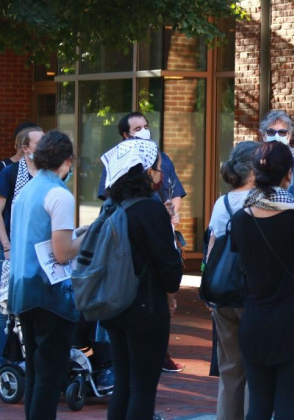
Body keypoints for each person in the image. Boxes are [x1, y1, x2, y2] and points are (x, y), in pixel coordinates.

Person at [231, 141, 294, 420]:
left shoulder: (241, 217)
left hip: (255, 320)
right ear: (289, 173)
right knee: (287, 409)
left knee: (258, 407)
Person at [99, 140, 183, 420]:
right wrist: (171, 298)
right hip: (146, 306)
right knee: (143, 387)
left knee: (123, 382)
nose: (160, 175)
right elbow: (169, 265)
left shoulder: (112, 204)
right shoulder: (150, 208)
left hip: (113, 304)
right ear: (146, 172)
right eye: (158, 169)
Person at [8, 130, 87, 419]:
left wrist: (76, 234)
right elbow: (64, 252)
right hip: (51, 295)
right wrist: (87, 237)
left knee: (36, 372)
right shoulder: (59, 194)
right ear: (67, 161)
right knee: (50, 376)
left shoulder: (26, 191)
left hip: (23, 292)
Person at [206, 141, 259, 420]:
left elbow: (213, 248)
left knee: (229, 369)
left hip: (224, 291)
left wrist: (210, 289)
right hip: (253, 292)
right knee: (255, 369)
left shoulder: (222, 202)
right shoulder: (264, 200)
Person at [0, 126, 44, 259]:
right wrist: (6, 246)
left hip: (43, 247)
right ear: (25, 149)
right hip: (14, 245)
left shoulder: (49, 174)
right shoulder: (10, 173)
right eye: (39, 143)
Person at [259, 110, 294, 197]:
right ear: (264, 136)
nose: (276, 136)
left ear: (289, 137)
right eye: (271, 132)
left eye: (282, 132)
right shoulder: (257, 164)